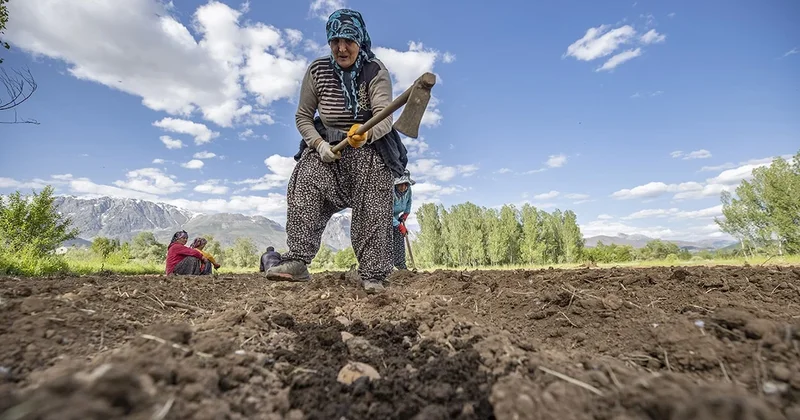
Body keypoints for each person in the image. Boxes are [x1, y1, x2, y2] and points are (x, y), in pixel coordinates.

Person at [265, 8, 408, 294]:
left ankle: (373, 273)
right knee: (304, 177)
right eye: (335, 41)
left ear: (360, 40)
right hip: (328, 150)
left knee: (373, 196)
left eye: (348, 40)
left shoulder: (375, 71)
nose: (342, 48)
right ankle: (297, 261)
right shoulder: (317, 71)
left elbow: (385, 117)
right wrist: (319, 145)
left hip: (369, 149)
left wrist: (365, 133)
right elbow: (303, 116)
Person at [392, 170, 414, 270]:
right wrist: (399, 225)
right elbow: (386, 213)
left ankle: (401, 265)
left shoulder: (408, 191)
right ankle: (386, 266)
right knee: (386, 241)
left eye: (406, 184)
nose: (403, 187)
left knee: (399, 238)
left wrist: (406, 213)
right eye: (400, 184)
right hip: (383, 218)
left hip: (395, 217)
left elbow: (409, 201)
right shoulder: (390, 193)